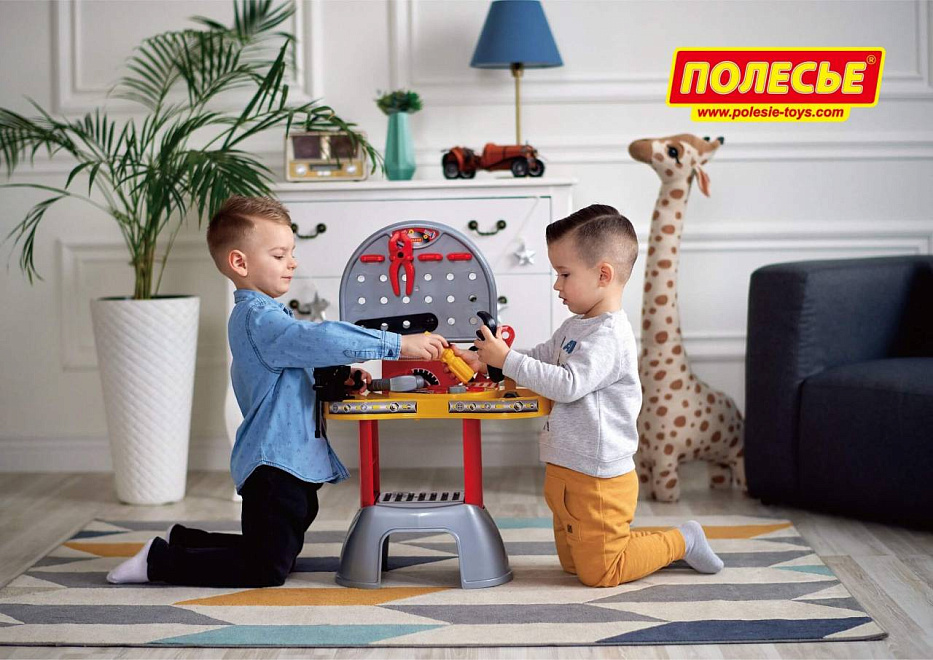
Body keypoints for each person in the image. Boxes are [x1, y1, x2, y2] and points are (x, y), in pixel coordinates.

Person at [107, 195, 448, 587]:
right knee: (265, 569)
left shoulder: (271, 317)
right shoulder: (258, 319)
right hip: (274, 466)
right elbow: (318, 338)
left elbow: (294, 371)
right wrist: (396, 344)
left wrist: (340, 378)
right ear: (240, 263)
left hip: (292, 461)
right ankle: (158, 562)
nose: (293, 262)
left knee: (273, 553)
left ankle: (184, 541)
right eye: (279, 255)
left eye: (292, 253)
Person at [457, 204, 724, 587]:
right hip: (566, 468)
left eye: (564, 274)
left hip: (598, 477)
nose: (557, 285)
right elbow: (540, 358)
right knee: (574, 565)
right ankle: (625, 545)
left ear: (603, 274)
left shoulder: (610, 336)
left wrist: (509, 360)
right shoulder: (575, 326)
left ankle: (682, 541)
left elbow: (568, 384)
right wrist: (490, 362)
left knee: (601, 572)